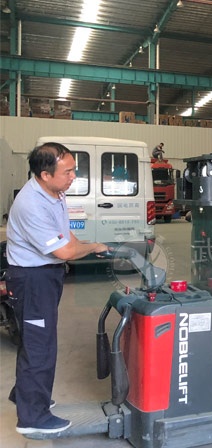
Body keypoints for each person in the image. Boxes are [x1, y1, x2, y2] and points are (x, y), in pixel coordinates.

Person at [5, 142, 109, 435]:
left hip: (45, 277)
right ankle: (32, 418)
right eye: (68, 172)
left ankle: (24, 394)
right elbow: (63, 251)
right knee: (40, 346)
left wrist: (86, 245)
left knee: (36, 340)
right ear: (45, 174)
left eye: (74, 170)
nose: (73, 176)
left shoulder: (55, 193)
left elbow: (66, 236)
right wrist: (93, 247)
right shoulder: (31, 204)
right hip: (32, 280)